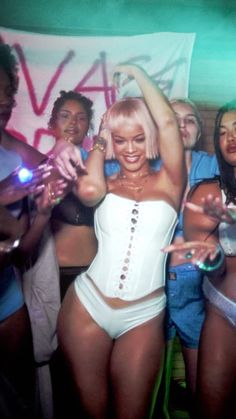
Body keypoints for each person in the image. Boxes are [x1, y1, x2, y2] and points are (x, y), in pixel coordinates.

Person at [55, 63, 186, 419]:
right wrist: (100, 136)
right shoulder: (105, 185)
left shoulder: (171, 181)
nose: (130, 149)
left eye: (139, 138)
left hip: (143, 315)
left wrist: (139, 73)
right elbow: (89, 191)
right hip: (88, 304)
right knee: (91, 410)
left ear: (151, 137)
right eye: (121, 139)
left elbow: (170, 124)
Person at [0, 42, 66, 418]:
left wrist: (43, 211)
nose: (5, 101)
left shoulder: (13, 152)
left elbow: (21, 253)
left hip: (7, 299)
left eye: (9, 91)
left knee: (22, 398)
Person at [164, 99, 236, 418]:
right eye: (223, 132)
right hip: (215, 304)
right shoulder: (209, 191)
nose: (230, 138)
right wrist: (209, 256)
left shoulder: (204, 166)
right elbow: (214, 266)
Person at [153, 98, 219, 415]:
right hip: (154, 288)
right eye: (174, 119)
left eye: (190, 120)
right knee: (151, 385)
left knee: (202, 385)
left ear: (199, 129)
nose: (182, 126)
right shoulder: (144, 165)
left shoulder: (214, 165)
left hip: (200, 289)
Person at [48, 90, 98, 300]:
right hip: (56, 275)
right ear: (52, 124)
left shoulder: (99, 169)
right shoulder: (40, 167)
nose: (73, 123)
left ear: (88, 127)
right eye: (65, 116)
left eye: (81, 117)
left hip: (94, 273)